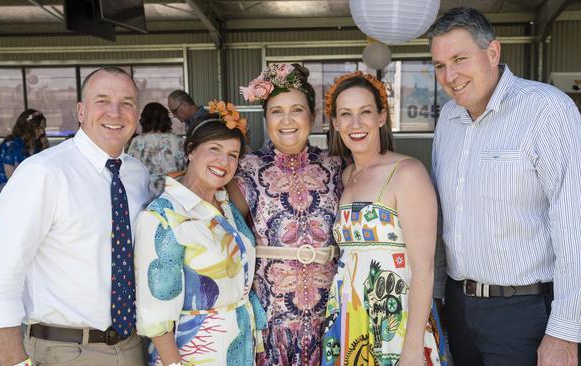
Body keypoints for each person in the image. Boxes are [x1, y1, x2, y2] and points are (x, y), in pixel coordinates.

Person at [429, 7, 581, 366]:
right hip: (458, 307)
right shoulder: (448, 118)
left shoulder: (547, 111)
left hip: (523, 313)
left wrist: (565, 332)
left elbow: (577, 229)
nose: (450, 75)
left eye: (459, 59)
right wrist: (438, 297)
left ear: (493, 53)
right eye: (440, 65)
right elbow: (442, 216)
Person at [0, 66, 153, 366]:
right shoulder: (42, 173)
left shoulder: (136, 174)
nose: (115, 112)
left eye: (127, 102)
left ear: (136, 113)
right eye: (102, 100)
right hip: (64, 350)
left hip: (132, 346)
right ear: (81, 111)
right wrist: (13, 360)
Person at [322, 71, 445, 366]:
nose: (356, 124)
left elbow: (423, 268)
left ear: (381, 116)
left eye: (365, 112)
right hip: (350, 316)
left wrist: (413, 347)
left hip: (396, 320)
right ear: (336, 123)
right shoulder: (346, 176)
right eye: (346, 114)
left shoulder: (407, 172)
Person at [135, 101, 266, 365]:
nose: (224, 161)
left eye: (233, 154)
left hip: (239, 348)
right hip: (194, 353)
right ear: (191, 151)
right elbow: (155, 316)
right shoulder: (164, 216)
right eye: (214, 149)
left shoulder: (227, 206)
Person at [230, 63, 343, 365]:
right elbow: (222, 232)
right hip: (272, 328)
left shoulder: (336, 167)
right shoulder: (246, 171)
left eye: (297, 110)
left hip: (330, 323)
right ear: (265, 119)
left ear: (313, 117)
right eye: (276, 111)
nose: (287, 120)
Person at [0, 108, 48, 231]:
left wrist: (45, 148)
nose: (42, 132)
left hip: (26, 195)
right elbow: (12, 178)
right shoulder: (11, 146)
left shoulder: (34, 145)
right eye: (39, 128)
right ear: (29, 127)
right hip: (8, 196)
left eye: (43, 128)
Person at [127, 102, 185, 195]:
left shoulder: (137, 141)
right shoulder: (178, 141)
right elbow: (186, 169)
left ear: (144, 119)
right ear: (166, 119)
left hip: (145, 192)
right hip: (173, 192)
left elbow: (130, 169)